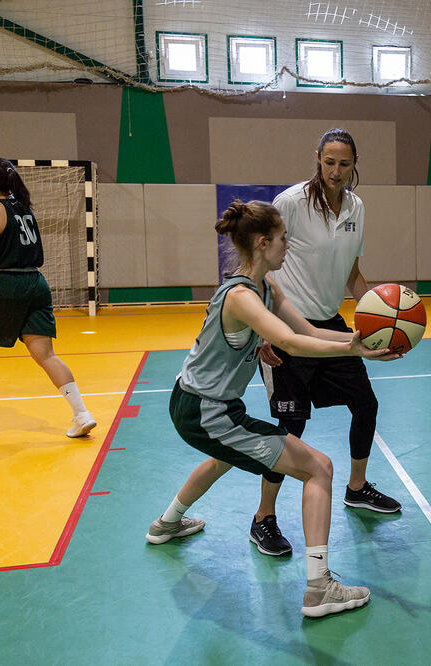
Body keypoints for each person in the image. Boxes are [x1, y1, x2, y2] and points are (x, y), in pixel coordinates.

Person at [145, 200, 397, 618]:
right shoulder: (243, 297)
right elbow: (294, 344)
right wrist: (355, 350)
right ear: (263, 243)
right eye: (283, 239)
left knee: (221, 459)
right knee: (319, 467)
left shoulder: (264, 288)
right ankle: (319, 588)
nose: (288, 245)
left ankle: (166, 524)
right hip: (207, 409)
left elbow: (310, 330)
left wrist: (357, 341)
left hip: (199, 403)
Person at [248, 128, 401, 558]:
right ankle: (263, 518)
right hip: (288, 327)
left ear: (355, 165)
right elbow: (263, 266)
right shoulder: (290, 203)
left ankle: (356, 487)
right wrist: (265, 327)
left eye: (345, 164)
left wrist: (379, 318)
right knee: (289, 429)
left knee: (366, 403)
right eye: (329, 162)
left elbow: (352, 273)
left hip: (330, 324)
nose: (336, 171)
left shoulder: (357, 207)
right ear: (317, 158)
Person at [0, 157, 96, 440]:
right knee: (46, 355)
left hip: (7, 285)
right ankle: (82, 414)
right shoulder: (23, 208)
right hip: (35, 282)